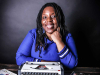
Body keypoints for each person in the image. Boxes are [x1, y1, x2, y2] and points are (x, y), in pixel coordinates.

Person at [16, 2, 78, 69]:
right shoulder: (33, 34)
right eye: (45, 17)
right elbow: (19, 58)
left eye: (53, 16)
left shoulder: (67, 36)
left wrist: (59, 41)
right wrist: (46, 64)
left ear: (59, 18)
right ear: (41, 20)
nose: (49, 20)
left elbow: (72, 64)